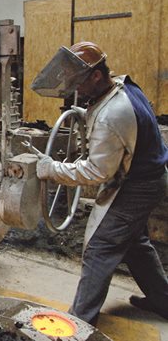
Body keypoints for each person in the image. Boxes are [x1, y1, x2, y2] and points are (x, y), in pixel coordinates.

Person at [32, 41, 168, 325]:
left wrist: (51, 169)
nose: (75, 90)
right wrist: (87, 115)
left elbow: (96, 172)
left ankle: (79, 322)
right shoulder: (124, 86)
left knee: (100, 247)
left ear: (96, 75)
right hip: (153, 175)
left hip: (137, 186)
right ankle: (162, 300)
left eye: (78, 83)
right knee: (134, 244)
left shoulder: (112, 115)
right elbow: (105, 117)